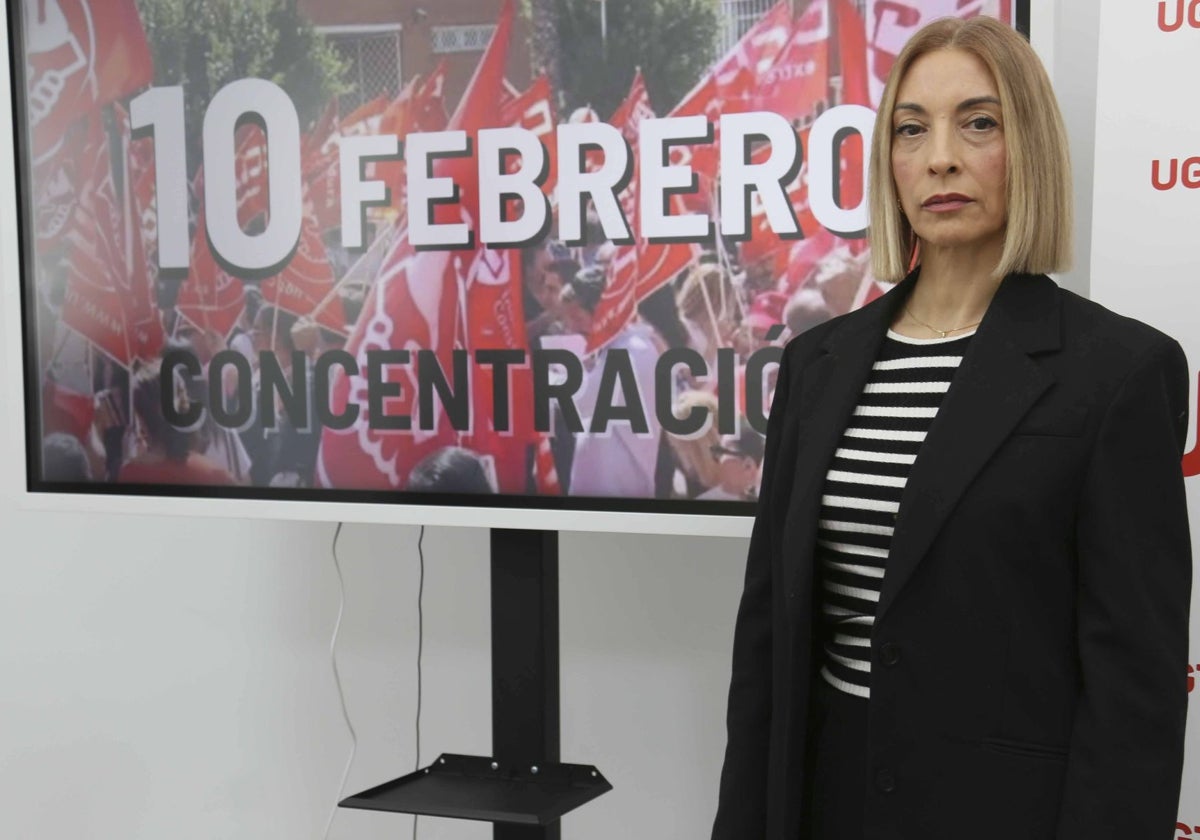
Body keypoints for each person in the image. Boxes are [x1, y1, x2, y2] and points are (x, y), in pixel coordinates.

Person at [711, 16, 1191, 840]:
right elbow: (767, 640)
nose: (940, 156)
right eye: (911, 128)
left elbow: (1134, 691)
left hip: (1004, 814)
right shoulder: (818, 363)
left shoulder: (1119, 371)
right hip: (828, 799)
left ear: (1029, 144)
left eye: (978, 122)